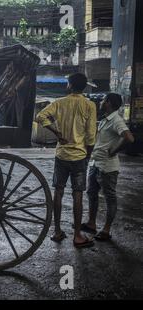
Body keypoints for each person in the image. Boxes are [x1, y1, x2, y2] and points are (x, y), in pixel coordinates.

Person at [36, 73, 97, 248]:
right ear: (84, 87)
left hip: (61, 155)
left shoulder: (59, 103)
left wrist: (57, 133)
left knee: (58, 192)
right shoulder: (89, 105)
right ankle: (77, 235)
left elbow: (40, 117)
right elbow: (91, 136)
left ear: (69, 85)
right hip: (79, 156)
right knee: (78, 194)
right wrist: (88, 154)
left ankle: (57, 231)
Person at [82, 93, 134, 241]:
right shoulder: (106, 119)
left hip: (108, 167)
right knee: (91, 193)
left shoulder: (116, 120)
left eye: (103, 100)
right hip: (95, 163)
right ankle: (91, 224)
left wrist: (114, 150)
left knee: (110, 198)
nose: (100, 102)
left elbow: (129, 137)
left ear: (109, 103)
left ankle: (106, 230)